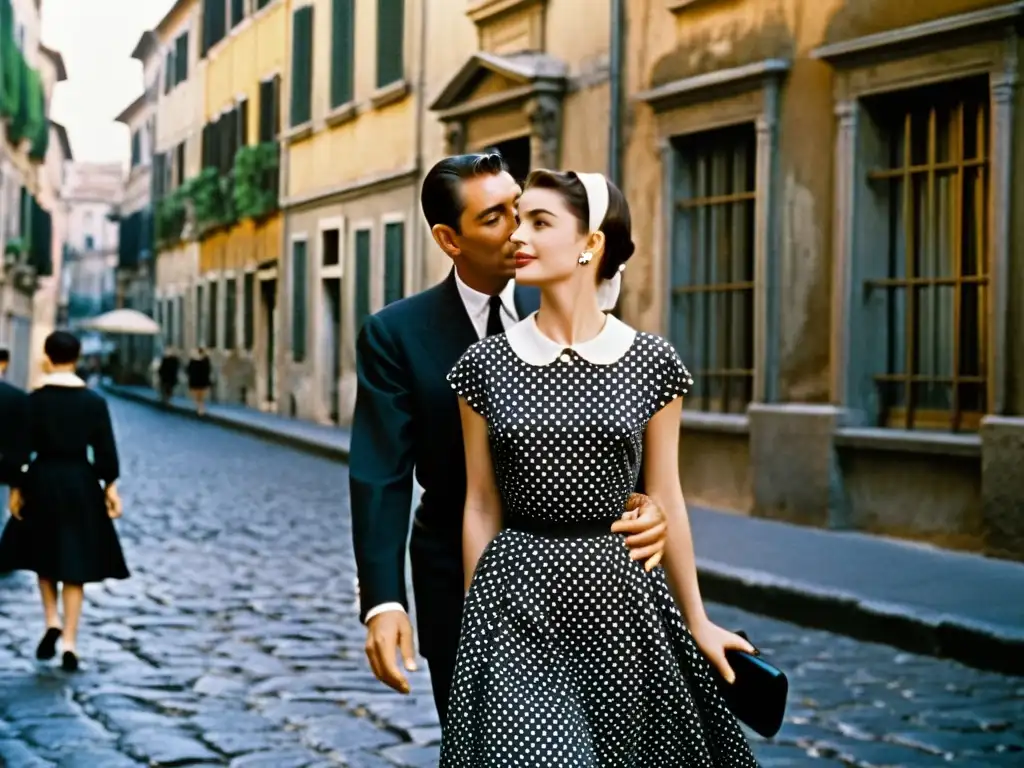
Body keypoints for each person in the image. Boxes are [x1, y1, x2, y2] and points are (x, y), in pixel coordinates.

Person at [440, 170, 759, 765]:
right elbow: (480, 503)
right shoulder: (482, 365)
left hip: (620, 604)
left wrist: (697, 620)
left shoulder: (652, 361)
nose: (518, 235)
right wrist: (472, 627)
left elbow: (668, 493)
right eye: (516, 220)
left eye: (539, 222)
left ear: (591, 245)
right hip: (515, 603)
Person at [349, 151, 670, 725]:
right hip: (458, 576)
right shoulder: (394, 335)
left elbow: (622, 425)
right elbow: (380, 474)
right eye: (495, 217)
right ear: (450, 240)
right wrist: (383, 599)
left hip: (594, 584)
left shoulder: (568, 291)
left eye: (520, 209)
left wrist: (650, 503)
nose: (518, 229)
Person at [0, 331, 129, 673]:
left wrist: (16, 488)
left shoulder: (34, 401)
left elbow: (18, 450)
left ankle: (51, 620)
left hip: (42, 480)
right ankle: (70, 641)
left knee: (45, 557)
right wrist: (110, 487)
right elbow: (105, 452)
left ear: (46, 356)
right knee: (76, 564)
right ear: (77, 356)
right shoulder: (94, 402)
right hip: (80, 483)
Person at [186, 347, 212, 416]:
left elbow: (189, 370)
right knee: (201, 396)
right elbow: (208, 370)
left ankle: (199, 407)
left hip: (195, 381)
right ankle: (201, 407)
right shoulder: (206, 360)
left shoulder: (193, 360)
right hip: (203, 381)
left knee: (197, 396)